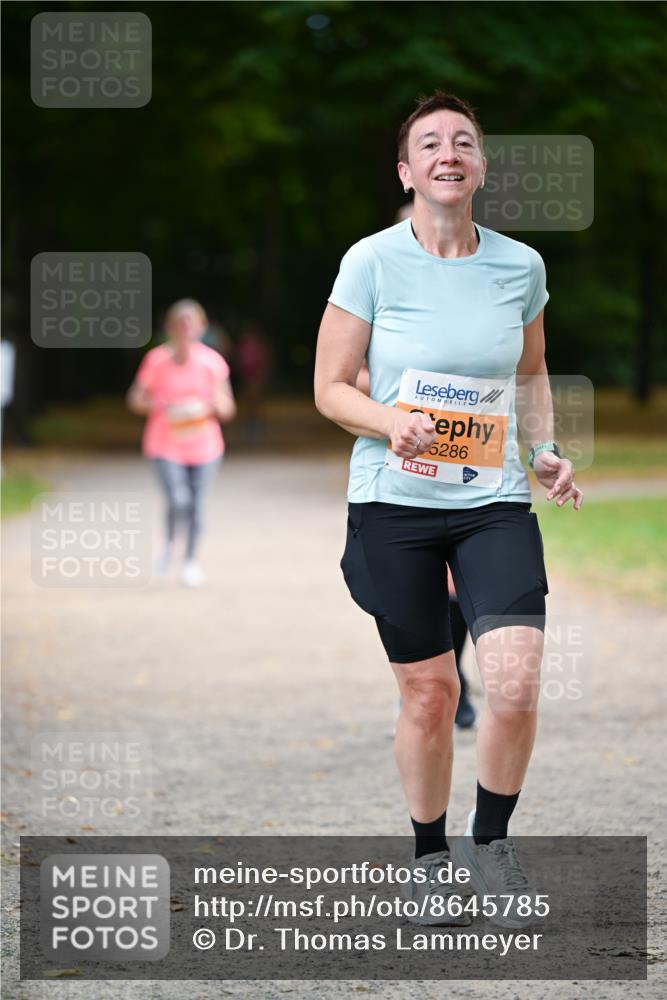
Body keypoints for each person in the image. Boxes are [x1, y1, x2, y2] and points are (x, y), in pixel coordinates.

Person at [314, 91, 583, 925]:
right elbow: (327, 389)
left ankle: (490, 841)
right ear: (407, 169)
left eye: (463, 141)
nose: (447, 152)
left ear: (479, 167)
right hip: (393, 503)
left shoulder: (520, 265)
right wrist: (392, 420)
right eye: (429, 143)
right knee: (429, 692)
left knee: (513, 679)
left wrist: (540, 450)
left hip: (489, 500)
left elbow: (531, 375)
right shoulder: (370, 260)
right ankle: (428, 855)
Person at [127, 298, 236, 586]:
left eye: (192, 324)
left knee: (196, 504)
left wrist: (213, 404)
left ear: (201, 327)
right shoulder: (156, 360)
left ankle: (190, 560)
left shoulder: (213, 362)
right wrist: (156, 403)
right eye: (180, 324)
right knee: (178, 500)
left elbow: (228, 408)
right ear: (170, 328)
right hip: (164, 444)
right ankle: (169, 547)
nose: (186, 329)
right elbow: (135, 399)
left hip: (205, 446)